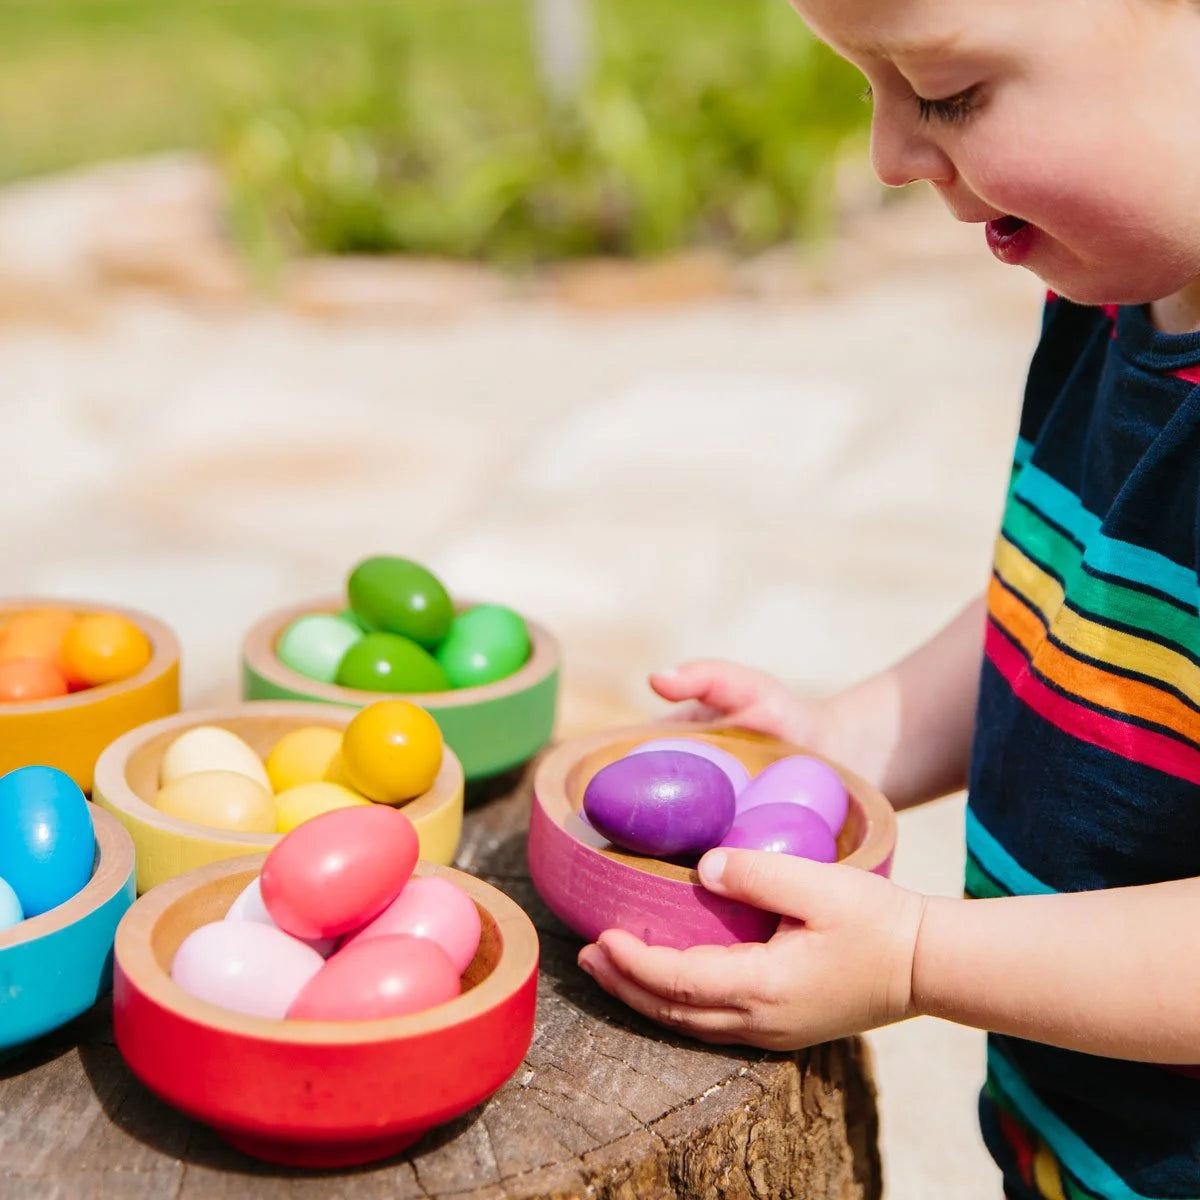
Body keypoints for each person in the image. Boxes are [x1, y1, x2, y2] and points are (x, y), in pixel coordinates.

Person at [575, 2, 1200, 1196]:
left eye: (949, 92)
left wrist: (918, 955)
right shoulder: (1114, 296)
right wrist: (851, 735)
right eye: (871, 83)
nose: (889, 155)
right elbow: (1084, 612)